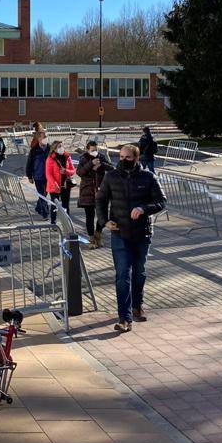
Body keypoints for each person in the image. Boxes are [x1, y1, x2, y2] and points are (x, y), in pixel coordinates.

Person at [96, 144, 167, 332]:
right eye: (121, 156)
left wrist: (143, 208)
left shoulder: (148, 177)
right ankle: (124, 318)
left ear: (136, 159)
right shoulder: (111, 176)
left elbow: (161, 201)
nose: (123, 160)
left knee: (139, 272)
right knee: (122, 276)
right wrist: (104, 222)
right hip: (120, 233)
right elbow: (101, 200)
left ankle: (137, 305)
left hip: (142, 233)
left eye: (127, 157)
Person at [77, 140, 112, 247]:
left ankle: (98, 234)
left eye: (96, 149)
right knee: (89, 216)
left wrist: (100, 165)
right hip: (87, 191)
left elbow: (111, 167)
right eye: (92, 150)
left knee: (102, 215)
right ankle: (91, 239)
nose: (95, 152)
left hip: (101, 190)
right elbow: (79, 172)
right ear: (88, 149)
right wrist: (91, 164)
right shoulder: (83, 158)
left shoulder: (101, 156)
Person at [45, 140, 76, 224]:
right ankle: (53, 222)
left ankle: (67, 222)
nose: (61, 148)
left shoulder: (67, 156)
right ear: (54, 149)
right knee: (54, 205)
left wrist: (66, 171)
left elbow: (73, 171)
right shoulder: (50, 159)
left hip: (65, 185)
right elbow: (48, 174)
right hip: (54, 186)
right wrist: (54, 183)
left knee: (66, 205)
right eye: (59, 147)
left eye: (62, 146)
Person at [25, 130, 50, 219]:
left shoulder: (50, 149)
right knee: (42, 195)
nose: (46, 139)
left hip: (49, 177)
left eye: (46, 137)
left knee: (44, 194)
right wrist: (29, 176)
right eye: (44, 137)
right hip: (38, 176)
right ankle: (45, 213)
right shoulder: (34, 150)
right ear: (39, 138)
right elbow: (29, 163)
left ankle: (38, 208)